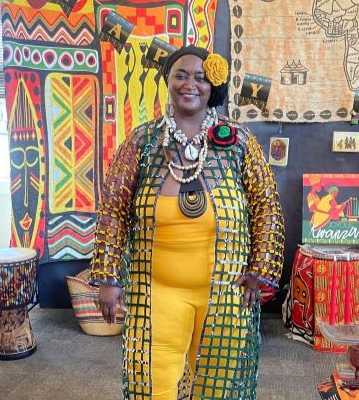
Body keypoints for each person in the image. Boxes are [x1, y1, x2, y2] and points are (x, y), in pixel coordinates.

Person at [90, 45, 285, 400]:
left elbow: (266, 206)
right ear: (168, 80)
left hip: (225, 290)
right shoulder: (142, 142)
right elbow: (113, 209)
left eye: (200, 77)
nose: (189, 84)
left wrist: (260, 269)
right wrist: (108, 276)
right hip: (156, 289)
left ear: (213, 85)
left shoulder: (239, 142)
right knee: (150, 384)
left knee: (218, 387)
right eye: (180, 75)